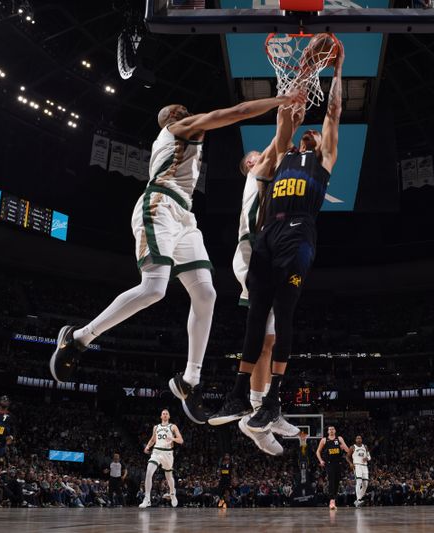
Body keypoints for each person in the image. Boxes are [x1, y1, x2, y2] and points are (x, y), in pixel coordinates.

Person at [49, 89, 305, 425]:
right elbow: (238, 110)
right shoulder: (176, 130)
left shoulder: (188, 140)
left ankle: (190, 380)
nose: (182, 109)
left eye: (183, 107)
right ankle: (79, 338)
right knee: (155, 288)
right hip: (159, 205)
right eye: (176, 110)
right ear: (170, 121)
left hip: (184, 214)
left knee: (206, 294)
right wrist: (279, 100)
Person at [211, 39, 346, 431]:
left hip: (299, 232)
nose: (312, 135)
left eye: (316, 134)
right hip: (268, 233)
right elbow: (285, 118)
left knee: (283, 315)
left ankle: (271, 401)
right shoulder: (280, 156)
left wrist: (335, 72)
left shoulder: (324, 158)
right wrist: (300, 79)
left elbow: (334, 113)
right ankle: (239, 395)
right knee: (256, 317)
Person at [215, 105, 306, 453]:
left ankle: (263, 410)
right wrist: (289, 111)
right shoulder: (257, 174)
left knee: (270, 340)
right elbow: (279, 143)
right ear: (250, 165)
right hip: (253, 257)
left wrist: (293, 122)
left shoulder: (273, 178)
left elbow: (284, 147)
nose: (262, 156)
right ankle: (257, 413)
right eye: (256, 155)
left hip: (267, 256)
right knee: (266, 338)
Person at [140, 409, 183, 508]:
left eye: (166, 414)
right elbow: (153, 439)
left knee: (169, 477)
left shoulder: (172, 426)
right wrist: (147, 446)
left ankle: (172, 493)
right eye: (163, 414)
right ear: (161, 416)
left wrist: (172, 438)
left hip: (167, 453)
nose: (164, 415)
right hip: (156, 451)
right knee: (149, 472)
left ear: (169, 416)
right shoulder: (156, 427)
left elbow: (180, 440)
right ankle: (147, 499)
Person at [316, 426, 349, 510]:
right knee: (331, 479)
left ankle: (333, 499)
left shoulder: (339, 438)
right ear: (327, 431)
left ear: (335, 431)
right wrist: (321, 460)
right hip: (329, 463)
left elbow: (347, 450)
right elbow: (318, 451)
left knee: (337, 481)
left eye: (332, 429)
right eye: (329, 429)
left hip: (338, 463)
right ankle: (331, 500)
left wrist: (343, 447)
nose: (331, 431)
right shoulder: (324, 440)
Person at [348, 435, 371, 507]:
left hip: (364, 466)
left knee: (366, 484)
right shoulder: (353, 447)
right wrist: (350, 463)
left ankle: (359, 499)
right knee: (359, 482)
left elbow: (369, 457)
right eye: (357, 438)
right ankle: (358, 500)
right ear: (355, 440)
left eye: (360, 438)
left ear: (362, 439)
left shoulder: (365, 447)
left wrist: (367, 458)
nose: (359, 439)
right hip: (357, 465)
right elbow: (347, 456)